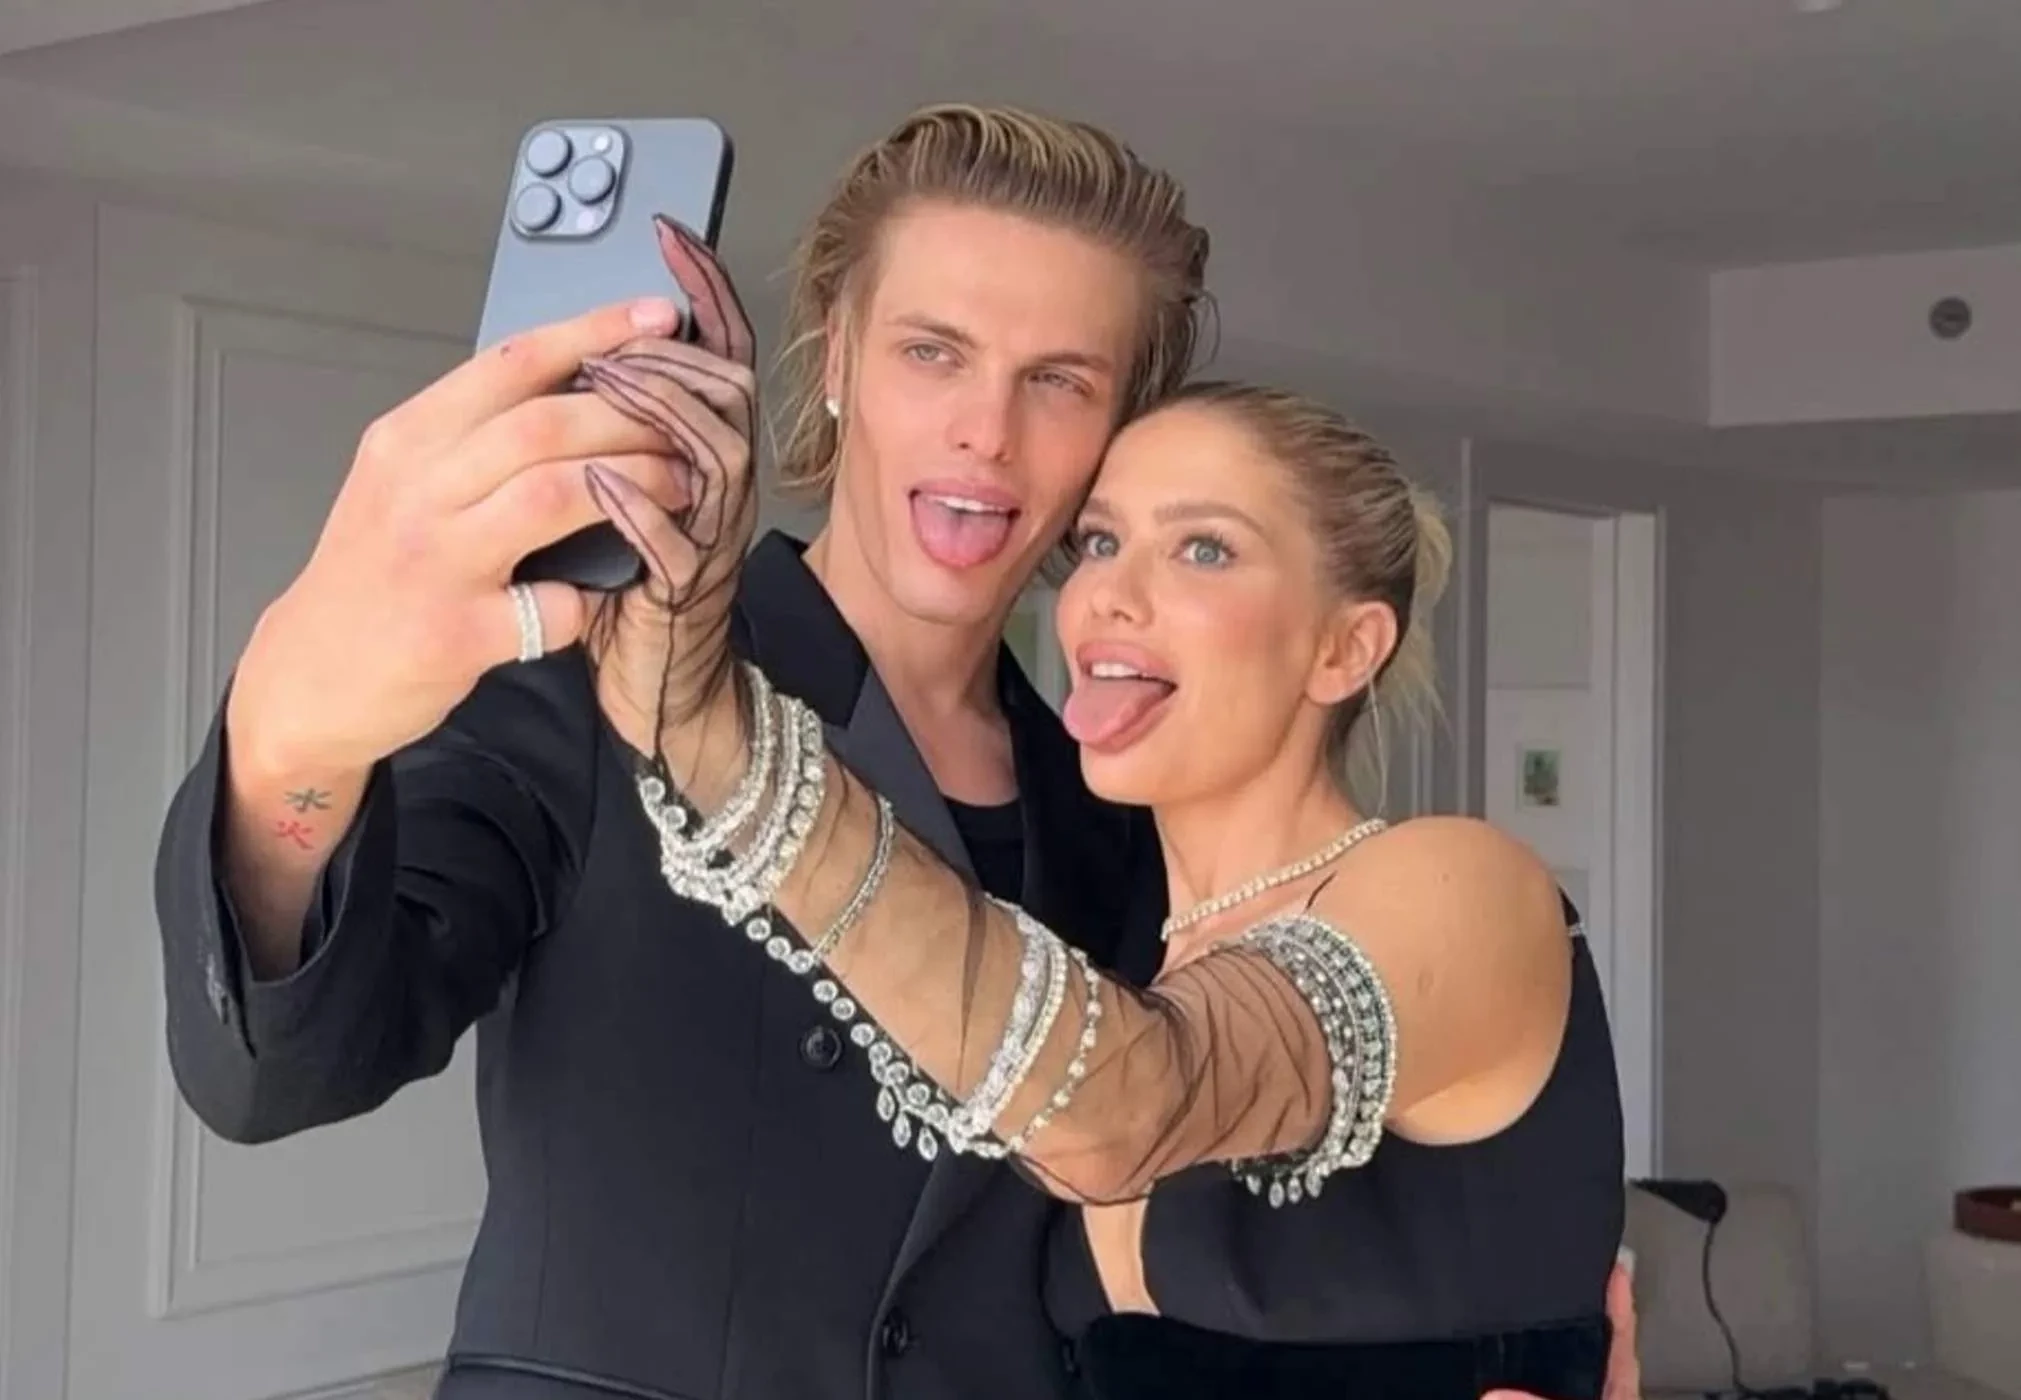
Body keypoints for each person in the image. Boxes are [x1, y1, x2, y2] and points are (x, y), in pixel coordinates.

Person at [150, 102, 1640, 1400]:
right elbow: (278, 1070)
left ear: (1114, 428)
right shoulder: (586, 684)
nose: (987, 430)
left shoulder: (1130, 820)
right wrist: (296, 727)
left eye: (1060, 380)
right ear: (839, 359)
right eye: (935, 352)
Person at [580, 334, 1629, 1397]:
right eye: (1099, 541)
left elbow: (1132, 1101)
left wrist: (722, 746)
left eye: (1204, 548)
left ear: (1343, 648)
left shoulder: (1462, 886)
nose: (1108, 595)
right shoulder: (1115, 944)